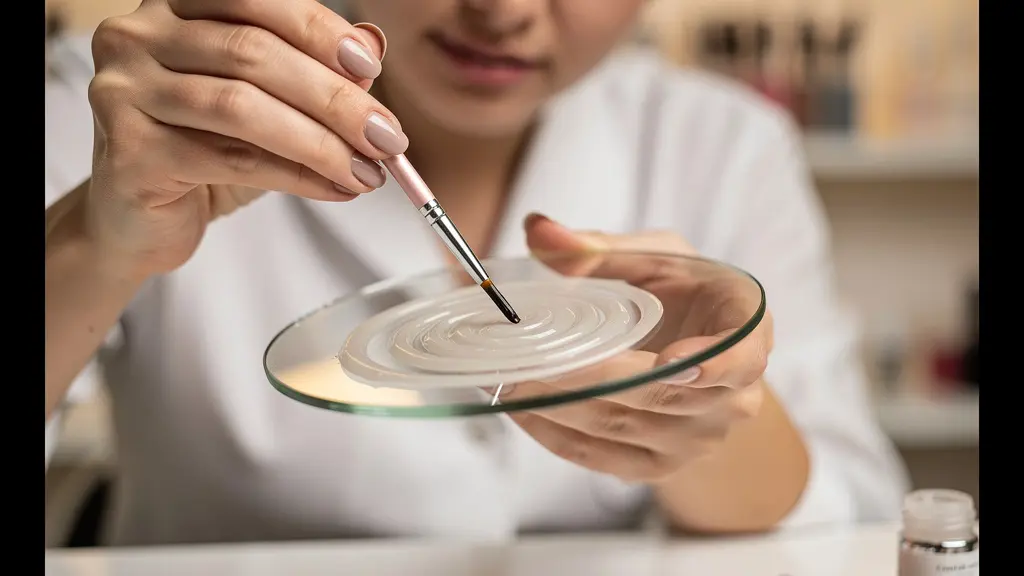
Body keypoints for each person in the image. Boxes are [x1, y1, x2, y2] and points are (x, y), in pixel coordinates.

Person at [45, 0, 909, 546]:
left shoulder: (721, 142)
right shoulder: (139, 103)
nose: (502, 11)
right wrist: (98, 240)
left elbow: (859, 516)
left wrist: (700, 414)